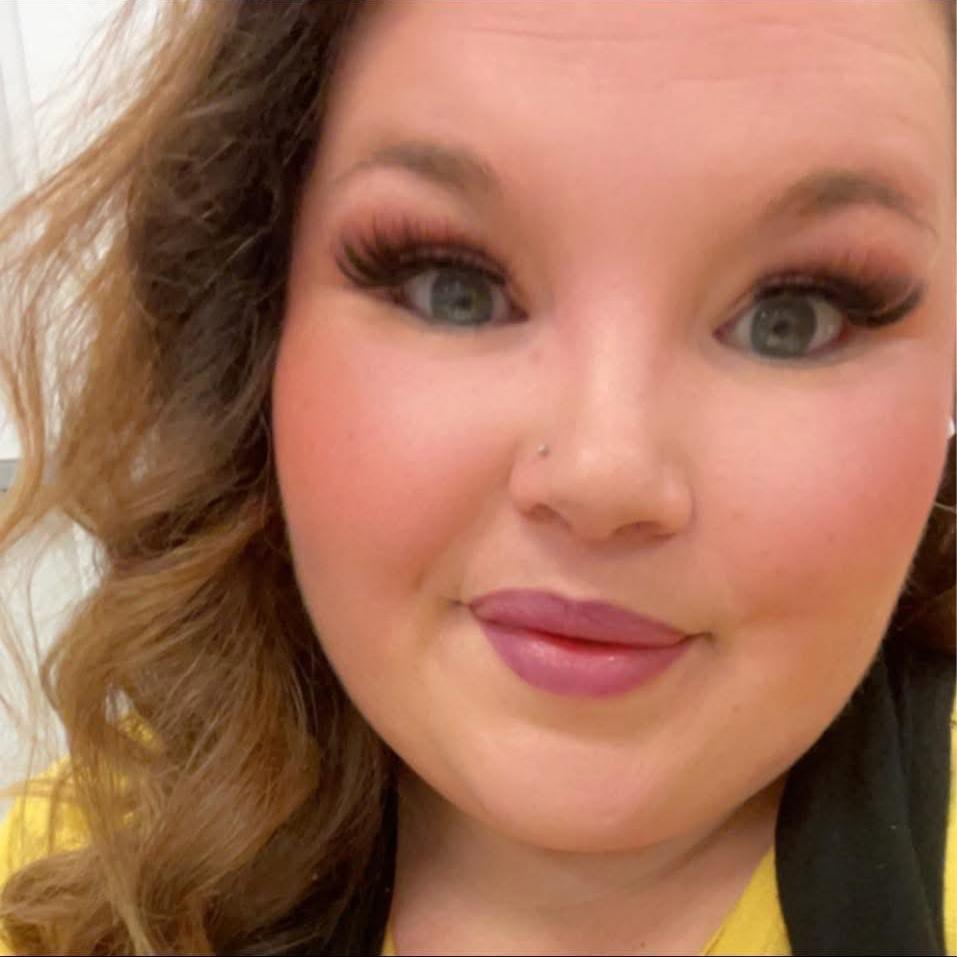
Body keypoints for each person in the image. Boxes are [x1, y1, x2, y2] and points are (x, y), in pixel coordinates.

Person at [0, 1, 954, 954]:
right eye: (451, 288)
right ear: (254, 326)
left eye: (793, 316)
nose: (602, 477)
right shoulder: (55, 891)